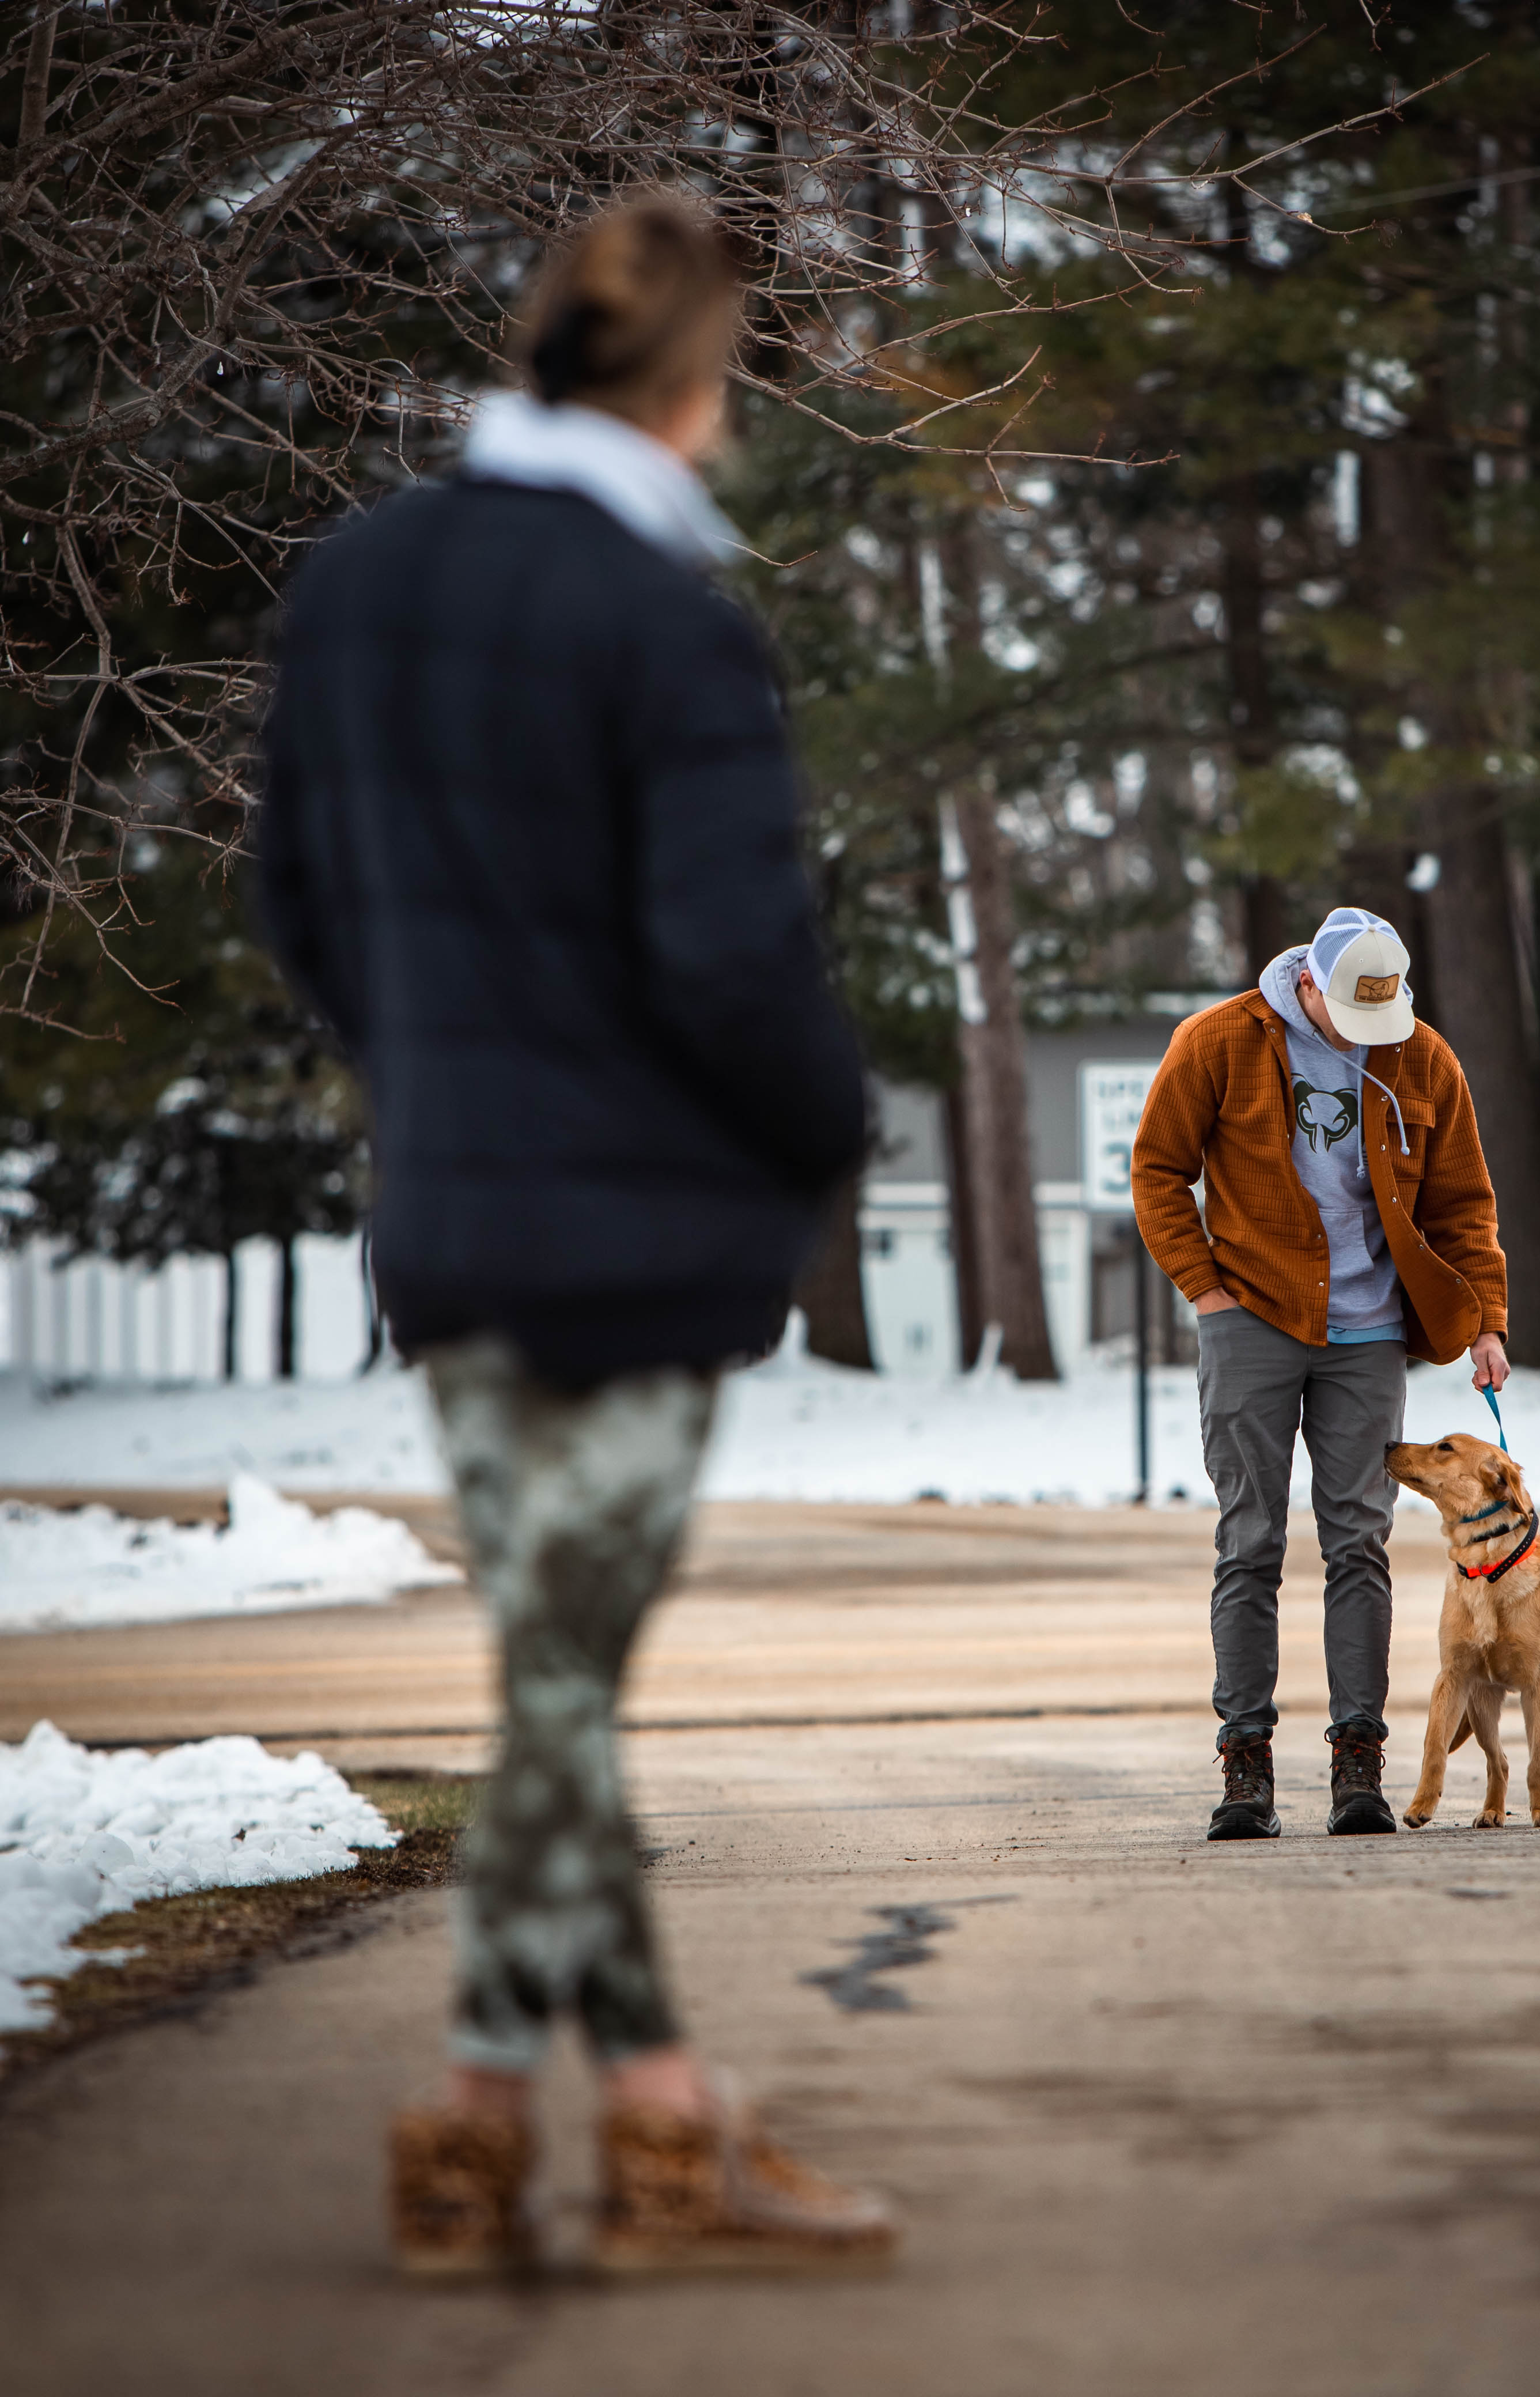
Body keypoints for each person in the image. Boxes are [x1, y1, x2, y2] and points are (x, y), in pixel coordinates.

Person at [258, 195, 896, 2277]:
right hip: (635, 1251)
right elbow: (732, 960)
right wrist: (829, 1133)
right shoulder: (664, 616)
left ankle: (650, 2111)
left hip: (454, 1213)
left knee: (558, 1685)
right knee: (558, 1695)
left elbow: (297, 897)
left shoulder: (362, 584)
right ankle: (465, 2111)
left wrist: (438, 1078)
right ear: (697, 396)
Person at [1132, 907, 1512, 1839]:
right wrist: (1205, 1291)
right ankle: (1246, 1768)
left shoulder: (1423, 1057)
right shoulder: (1219, 1042)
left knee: (1359, 1545)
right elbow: (1156, 1170)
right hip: (1250, 1318)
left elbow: (1465, 1204)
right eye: (1351, 1016)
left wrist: (1486, 1322)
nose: (1371, 1036)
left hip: (1371, 1333)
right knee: (1250, 1542)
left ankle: (1357, 1766)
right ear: (1309, 985)